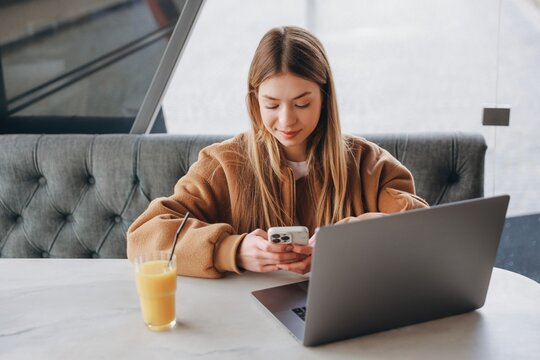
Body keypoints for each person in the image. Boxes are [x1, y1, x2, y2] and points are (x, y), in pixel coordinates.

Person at [127, 26, 428, 278]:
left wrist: (342, 243)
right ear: (254, 100)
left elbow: (422, 229)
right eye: (271, 104)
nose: (286, 121)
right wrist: (229, 249)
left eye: (302, 103)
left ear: (324, 99)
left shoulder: (370, 165)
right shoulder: (222, 164)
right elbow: (143, 237)